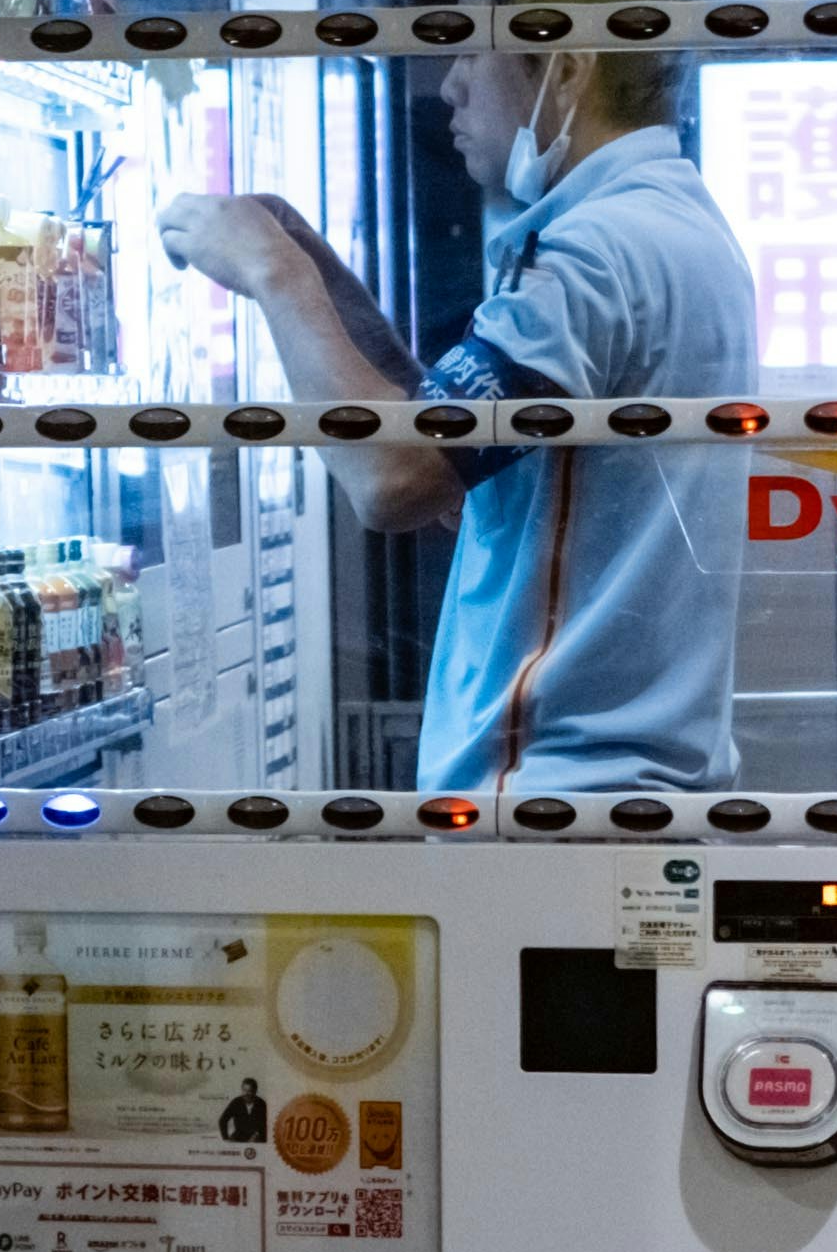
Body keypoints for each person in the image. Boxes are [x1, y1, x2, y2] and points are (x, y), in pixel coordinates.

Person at [160, 45, 756, 796]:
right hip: (615, 788)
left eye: (472, 48)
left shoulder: (595, 252)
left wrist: (272, 276)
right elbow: (453, 454)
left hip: (557, 793)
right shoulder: (666, 220)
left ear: (568, 70)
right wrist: (317, 274)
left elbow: (392, 478)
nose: (450, 84)